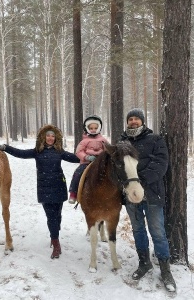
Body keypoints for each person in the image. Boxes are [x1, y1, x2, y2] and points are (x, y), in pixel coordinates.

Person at [0, 125, 79, 259]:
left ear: (55, 138)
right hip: (44, 188)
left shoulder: (60, 152)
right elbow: (20, 153)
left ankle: (54, 235)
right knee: (51, 217)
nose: (50, 138)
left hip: (59, 186)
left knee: (58, 215)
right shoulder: (37, 152)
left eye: (52, 136)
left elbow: (76, 158)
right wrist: (6, 148)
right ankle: (56, 243)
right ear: (43, 138)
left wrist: (89, 156)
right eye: (48, 136)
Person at [121, 108, 176, 292]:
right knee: (138, 230)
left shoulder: (155, 140)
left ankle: (165, 270)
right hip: (130, 196)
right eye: (131, 119)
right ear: (127, 122)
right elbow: (118, 167)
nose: (134, 121)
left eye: (137, 118)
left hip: (152, 193)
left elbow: (161, 163)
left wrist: (140, 180)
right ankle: (144, 263)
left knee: (158, 232)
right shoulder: (122, 142)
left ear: (143, 121)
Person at [68, 115, 108, 204]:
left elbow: (107, 149)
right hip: (86, 162)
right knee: (77, 173)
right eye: (91, 128)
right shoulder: (84, 141)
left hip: (101, 162)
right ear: (87, 128)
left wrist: (105, 156)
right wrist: (87, 157)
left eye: (95, 128)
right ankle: (73, 193)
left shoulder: (103, 140)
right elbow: (79, 151)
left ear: (99, 128)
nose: (93, 129)